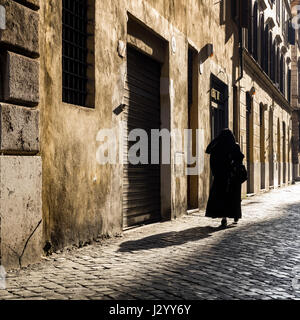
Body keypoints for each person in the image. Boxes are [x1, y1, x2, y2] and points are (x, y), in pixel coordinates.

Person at [205, 128, 246, 228]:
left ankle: (224, 218)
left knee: (221, 198)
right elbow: (240, 159)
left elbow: (210, 156)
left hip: (220, 177)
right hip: (232, 177)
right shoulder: (234, 146)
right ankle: (235, 215)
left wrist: (216, 174)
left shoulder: (217, 146)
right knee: (233, 198)